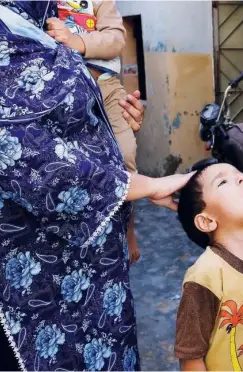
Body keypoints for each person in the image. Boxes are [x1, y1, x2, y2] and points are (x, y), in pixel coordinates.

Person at [0, 2, 191, 370]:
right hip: (40, 279)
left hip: (93, 269)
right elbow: (24, 153)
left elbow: (112, 42)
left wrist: (100, 126)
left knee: (125, 149)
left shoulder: (32, 25)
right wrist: (145, 185)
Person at [45, 0, 143, 264]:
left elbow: (116, 38)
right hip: (59, 89)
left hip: (106, 85)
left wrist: (76, 41)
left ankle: (128, 228)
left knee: (126, 152)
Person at [174, 161, 243, 371]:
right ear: (206, 222)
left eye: (240, 174)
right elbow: (191, 359)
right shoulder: (206, 275)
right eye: (223, 182)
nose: (242, 178)